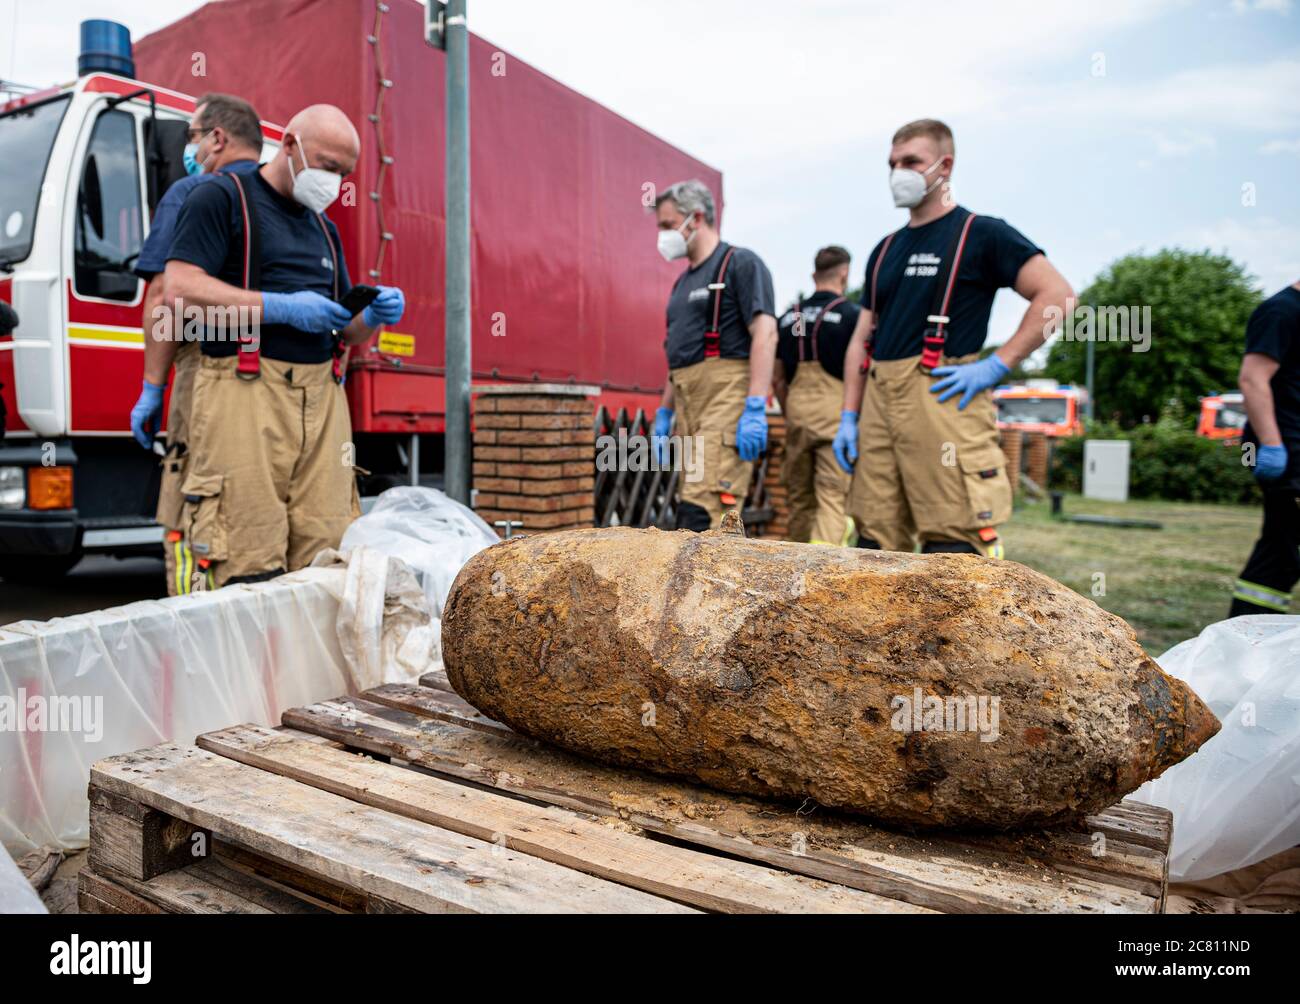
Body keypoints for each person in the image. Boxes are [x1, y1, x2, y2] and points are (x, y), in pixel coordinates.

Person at [162, 104, 405, 589]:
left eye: (344, 172)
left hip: (320, 399)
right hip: (242, 391)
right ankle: (239, 666)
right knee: (244, 554)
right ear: (289, 144)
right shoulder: (221, 198)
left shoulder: (324, 229)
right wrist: (280, 307)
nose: (333, 181)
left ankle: (300, 666)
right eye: (327, 164)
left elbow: (343, 330)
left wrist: (368, 319)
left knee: (325, 553)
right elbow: (180, 290)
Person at [834, 119, 1073, 557]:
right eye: (892, 163)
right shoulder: (884, 249)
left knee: (952, 543)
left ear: (944, 166)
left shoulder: (981, 234)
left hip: (944, 397)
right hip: (879, 404)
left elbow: (1058, 296)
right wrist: (849, 415)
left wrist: (997, 364)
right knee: (872, 542)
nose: (898, 172)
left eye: (911, 162)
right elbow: (860, 338)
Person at [128, 93, 265, 595]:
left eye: (191, 134)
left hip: (204, 371)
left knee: (190, 506)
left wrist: (151, 388)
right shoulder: (281, 200)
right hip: (277, 379)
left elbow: (164, 295)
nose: (190, 146)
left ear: (217, 138)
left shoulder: (192, 190)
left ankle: (191, 617)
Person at [652, 179, 777, 531]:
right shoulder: (682, 284)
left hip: (726, 396)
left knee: (702, 506)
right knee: (693, 503)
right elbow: (677, 355)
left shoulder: (740, 264)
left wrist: (755, 406)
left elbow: (766, 334)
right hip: (689, 398)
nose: (662, 235)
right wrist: (665, 411)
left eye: (667, 224)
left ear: (696, 217)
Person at [773, 246, 860, 545]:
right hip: (836, 417)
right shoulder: (852, 316)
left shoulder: (788, 318)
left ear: (814, 274)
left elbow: (777, 378)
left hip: (796, 414)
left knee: (799, 498)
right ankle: (825, 571)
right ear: (845, 273)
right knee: (832, 495)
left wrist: (790, 410)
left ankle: (795, 565)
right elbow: (860, 374)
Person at [1229, 280, 1300, 616]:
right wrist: (1272, 445)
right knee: (1283, 551)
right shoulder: (1281, 311)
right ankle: (1246, 635)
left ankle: (1249, 634)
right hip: (1288, 453)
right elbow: (1252, 379)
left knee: (1282, 551)